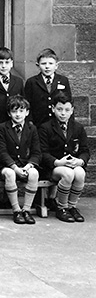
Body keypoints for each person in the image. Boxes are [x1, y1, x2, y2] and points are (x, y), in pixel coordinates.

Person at [39, 91, 90, 223]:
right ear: (53, 109)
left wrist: (79, 161)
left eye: (67, 110)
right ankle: (62, 207)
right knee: (68, 174)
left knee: (79, 173)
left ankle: (72, 206)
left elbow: (85, 150)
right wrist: (57, 162)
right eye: (59, 109)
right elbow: (43, 153)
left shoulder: (78, 128)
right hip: (54, 167)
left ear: (72, 110)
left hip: (73, 164)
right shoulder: (45, 128)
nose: (63, 113)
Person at [0, 95, 41, 225]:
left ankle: (26, 210)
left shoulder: (32, 128)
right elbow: (2, 152)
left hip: (25, 165)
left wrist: (28, 166)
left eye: (21, 111)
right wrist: (14, 167)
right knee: (9, 174)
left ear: (27, 112)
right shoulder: (2, 128)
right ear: (9, 113)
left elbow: (37, 152)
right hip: (7, 166)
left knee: (34, 173)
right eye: (14, 111)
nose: (18, 114)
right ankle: (16, 210)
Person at [24, 48, 72, 127]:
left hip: (58, 123)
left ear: (56, 65)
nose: (47, 67)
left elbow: (68, 102)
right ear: (38, 65)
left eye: (50, 63)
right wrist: (30, 122)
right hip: (39, 123)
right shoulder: (31, 82)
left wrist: (69, 123)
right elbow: (27, 104)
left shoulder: (63, 80)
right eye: (43, 64)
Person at [0, 47, 24, 131]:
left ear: (12, 63)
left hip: (14, 125)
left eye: (7, 62)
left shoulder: (18, 81)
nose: (4, 66)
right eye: (0, 63)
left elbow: (23, 103)